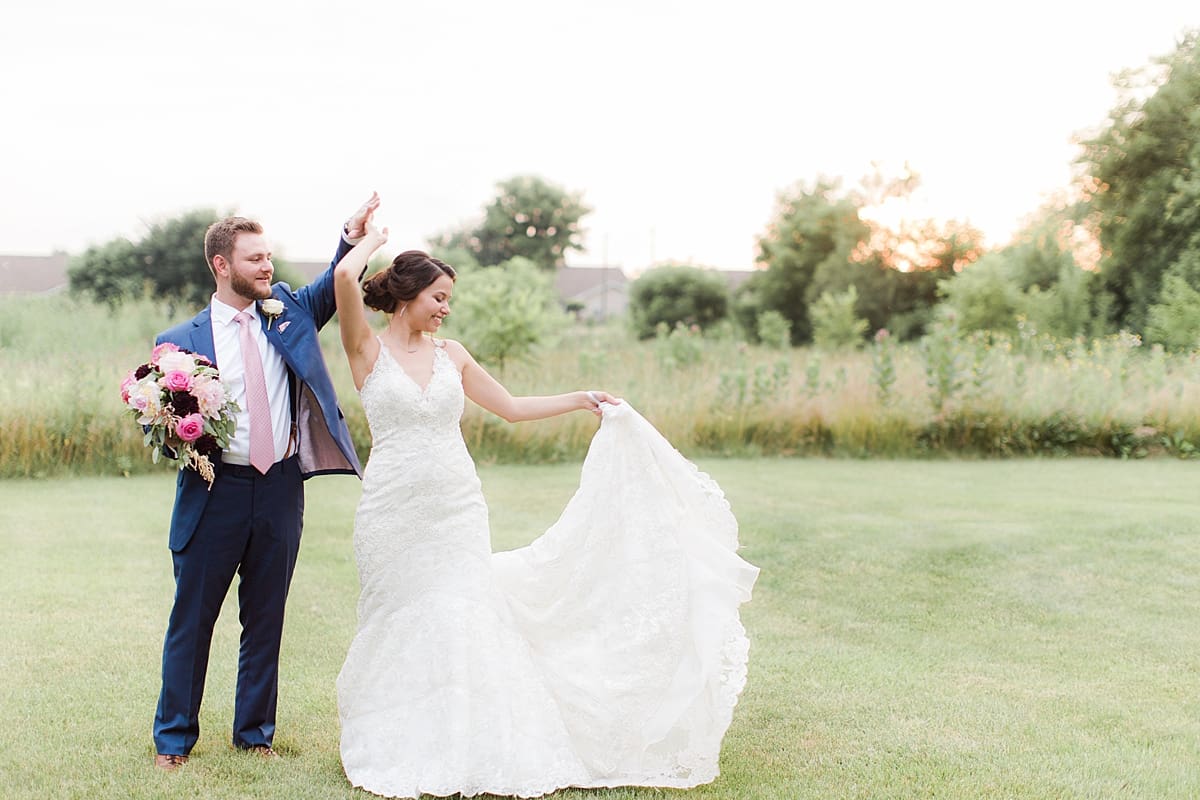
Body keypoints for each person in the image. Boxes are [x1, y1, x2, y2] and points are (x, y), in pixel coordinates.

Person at [332, 214, 760, 799]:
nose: (445, 309)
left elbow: (508, 406)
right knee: (400, 616)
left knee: (462, 613)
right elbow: (343, 279)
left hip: (456, 504)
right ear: (405, 296)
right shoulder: (366, 350)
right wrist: (371, 242)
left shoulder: (452, 355)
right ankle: (400, 734)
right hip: (391, 509)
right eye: (438, 297)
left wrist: (580, 398)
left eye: (449, 299)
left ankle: (467, 740)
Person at [150, 195, 381, 770]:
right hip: (212, 494)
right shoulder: (180, 339)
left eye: (269, 257)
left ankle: (254, 734)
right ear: (221, 266)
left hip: (280, 489)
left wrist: (351, 235)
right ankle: (173, 740)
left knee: (267, 618)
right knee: (191, 621)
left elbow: (334, 282)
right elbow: (165, 420)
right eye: (254, 259)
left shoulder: (290, 313)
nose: (267, 267)